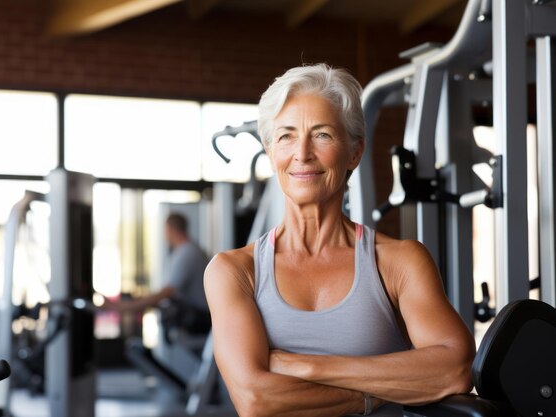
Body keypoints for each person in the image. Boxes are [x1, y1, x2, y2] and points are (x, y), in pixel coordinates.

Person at [203, 63, 475, 417]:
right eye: (286, 136)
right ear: (271, 154)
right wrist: (376, 394)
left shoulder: (398, 262)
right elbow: (256, 400)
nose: (302, 153)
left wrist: (309, 366)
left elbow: (456, 369)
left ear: (355, 153)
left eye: (322, 135)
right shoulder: (235, 271)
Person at [104, 212, 211, 336]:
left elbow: (165, 293)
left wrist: (123, 307)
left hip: (197, 321)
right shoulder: (189, 250)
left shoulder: (187, 253)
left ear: (169, 229)